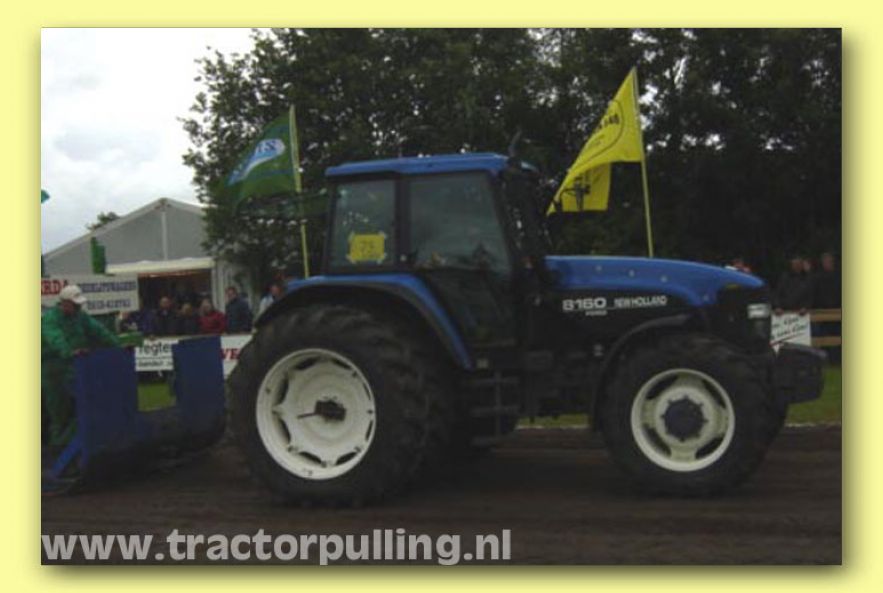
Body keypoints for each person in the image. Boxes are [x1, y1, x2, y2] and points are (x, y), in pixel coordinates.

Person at [42, 285, 121, 447]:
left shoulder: (80, 317)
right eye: (75, 305)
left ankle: (78, 443)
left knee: (81, 406)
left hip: (75, 365)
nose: (78, 308)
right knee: (59, 409)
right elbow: (55, 338)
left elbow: (99, 331)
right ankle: (57, 448)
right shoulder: (50, 319)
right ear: (65, 303)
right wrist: (68, 351)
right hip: (53, 369)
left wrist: (118, 347)